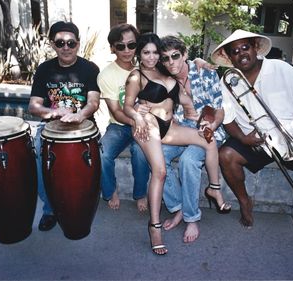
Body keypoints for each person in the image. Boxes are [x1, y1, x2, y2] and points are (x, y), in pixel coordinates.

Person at [211, 29, 293, 228]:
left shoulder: (282, 69)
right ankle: (245, 201)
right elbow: (228, 119)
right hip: (258, 142)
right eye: (235, 51)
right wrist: (243, 138)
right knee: (226, 155)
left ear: (255, 48)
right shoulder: (229, 81)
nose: (241, 54)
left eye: (245, 47)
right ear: (229, 57)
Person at [123, 33, 225, 255]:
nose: (151, 57)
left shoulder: (165, 68)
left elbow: (183, 70)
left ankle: (214, 189)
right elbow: (127, 107)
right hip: (146, 125)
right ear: (139, 54)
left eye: (154, 53)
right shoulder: (135, 76)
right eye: (146, 53)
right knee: (159, 171)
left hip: (170, 126)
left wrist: (201, 62)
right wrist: (138, 116)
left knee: (208, 141)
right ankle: (154, 226)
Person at [157, 35, 230, 243]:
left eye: (175, 56)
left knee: (189, 161)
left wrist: (212, 125)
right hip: (181, 128)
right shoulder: (165, 78)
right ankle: (178, 208)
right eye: (166, 58)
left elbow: (220, 110)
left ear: (185, 54)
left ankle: (191, 218)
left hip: (208, 127)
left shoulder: (204, 71)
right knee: (158, 156)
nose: (171, 62)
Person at [28, 21, 100, 231]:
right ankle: (50, 210)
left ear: (78, 44)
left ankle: (82, 207)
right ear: (53, 44)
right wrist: (53, 112)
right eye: (60, 43)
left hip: (84, 126)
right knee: (40, 160)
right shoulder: (44, 69)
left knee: (94, 164)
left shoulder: (89, 68)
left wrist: (80, 115)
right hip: (51, 128)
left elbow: (93, 103)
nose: (66, 47)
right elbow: (34, 106)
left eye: (71, 42)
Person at [97, 23, 150, 211]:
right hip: (120, 124)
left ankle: (140, 193)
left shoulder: (147, 65)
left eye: (131, 45)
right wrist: (136, 122)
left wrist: (198, 61)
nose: (127, 50)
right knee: (102, 153)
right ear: (113, 48)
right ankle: (110, 190)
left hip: (146, 122)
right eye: (120, 46)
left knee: (141, 152)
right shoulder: (106, 75)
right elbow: (116, 111)